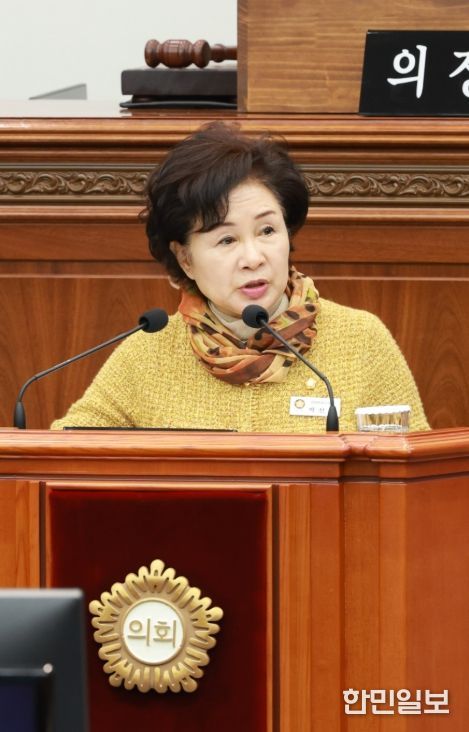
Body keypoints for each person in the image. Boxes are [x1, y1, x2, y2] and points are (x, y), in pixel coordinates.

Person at [51, 122, 429, 432]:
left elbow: (410, 475)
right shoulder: (147, 356)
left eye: (267, 231)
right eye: (227, 240)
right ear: (185, 259)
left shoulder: (361, 340)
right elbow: (69, 454)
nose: (253, 258)